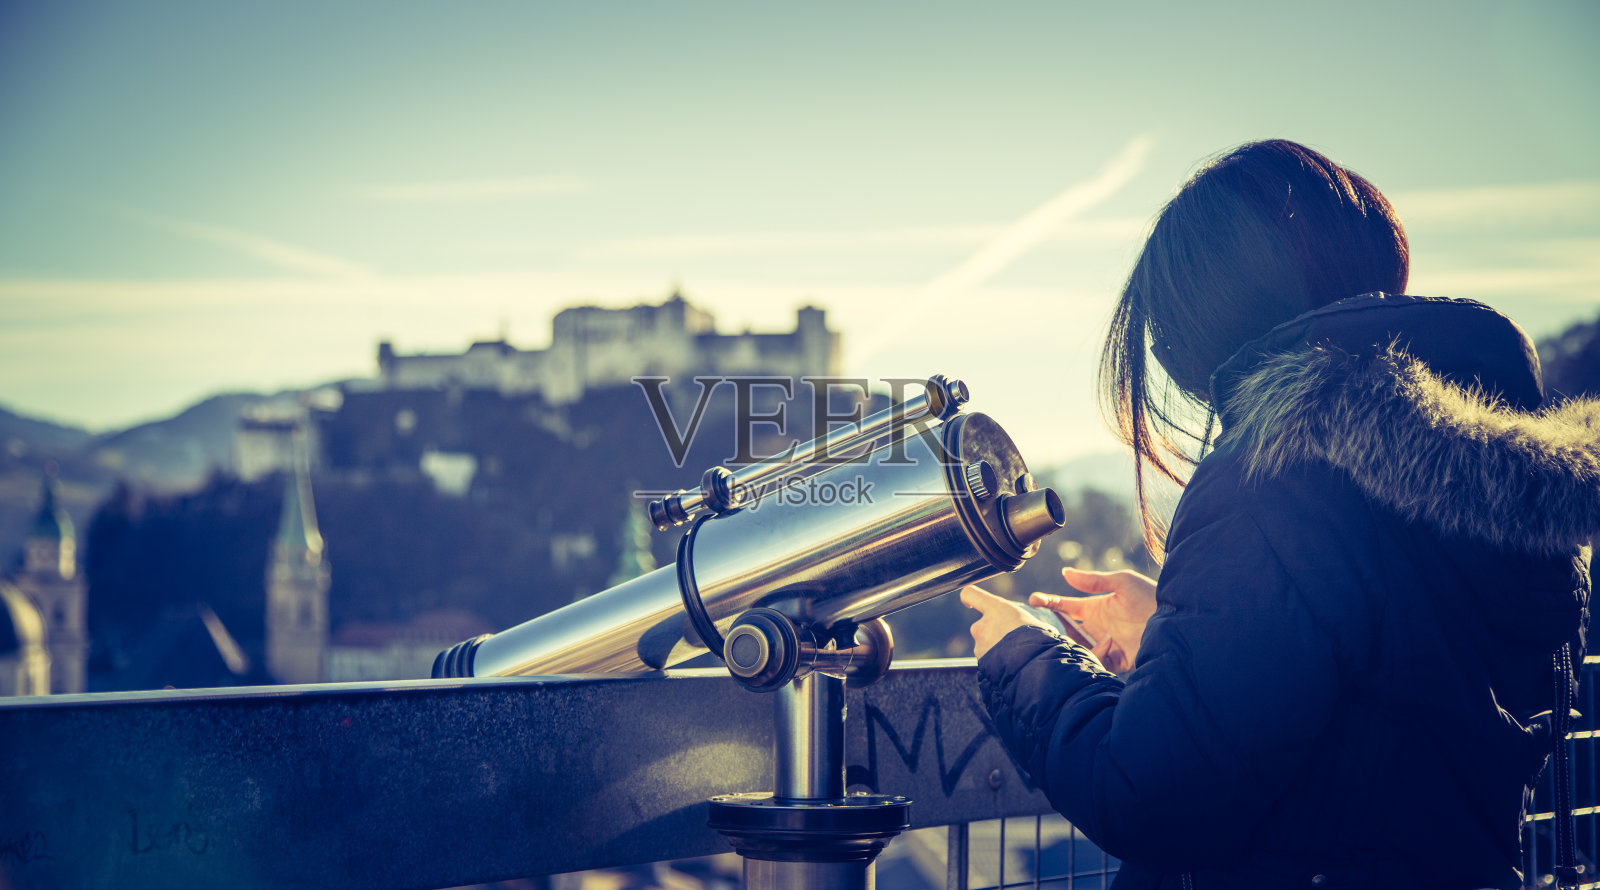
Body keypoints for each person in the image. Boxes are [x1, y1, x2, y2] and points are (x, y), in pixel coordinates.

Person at [962, 139, 1600, 889]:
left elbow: (1151, 799)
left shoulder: (1275, 474)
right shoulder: (1520, 487)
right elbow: (1387, 690)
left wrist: (1025, 658)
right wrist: (1173, 627)